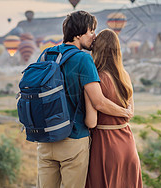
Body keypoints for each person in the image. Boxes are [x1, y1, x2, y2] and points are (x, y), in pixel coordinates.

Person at [36, 11, 132, 188]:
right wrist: (125, 112)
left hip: (46, 140)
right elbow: (99, 102)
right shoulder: (83, 59)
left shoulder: (45, 55)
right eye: (91, 31)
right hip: (73, 140)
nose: (94, 36)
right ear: (79, 34)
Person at [85, 29, 143, 188]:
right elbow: (130, 111)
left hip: (105, 144)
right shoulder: (125, 75)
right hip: (128, 142)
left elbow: (91, 121)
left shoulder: (95, 78)